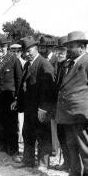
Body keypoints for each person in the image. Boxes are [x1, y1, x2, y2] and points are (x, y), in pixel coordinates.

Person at [17, 36, 56, 169]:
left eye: (29, 50)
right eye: (25, 51)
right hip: (29, 108)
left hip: (40, 109)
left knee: (42, 137)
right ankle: (27, 161)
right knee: (27, 134)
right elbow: (24, 85)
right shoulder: (28, 64)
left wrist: (43, 108)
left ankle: (43, 165)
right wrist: (18, 100)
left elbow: (49, 89)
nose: (27, 53)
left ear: (36, 48)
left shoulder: (44, 64)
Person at [56, 31, 88, 176]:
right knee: (72, 148)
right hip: (68, 114)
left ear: (82, 47)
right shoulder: (69, 63)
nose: (68, 49)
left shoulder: (86, 62)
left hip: (81, 115)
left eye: (71, 46)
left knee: (84, 150)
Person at [0, 35, 22, 160]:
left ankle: (14, 151)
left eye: (2, 46)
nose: (0, 49)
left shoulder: (13, 60)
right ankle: (3, 147)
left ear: (7, 47)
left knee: (11, 126)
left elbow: (19, 80)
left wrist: (17, 99)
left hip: (9, 99)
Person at [52, 35, 70, 172]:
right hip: (59, 109)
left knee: (71, 138)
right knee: (61, 135)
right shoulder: (57, 65)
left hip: (70, 109)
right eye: (57, 50)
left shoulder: (71, 65)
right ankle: (67, 163)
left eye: (62, 51)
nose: (59, 53)